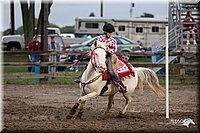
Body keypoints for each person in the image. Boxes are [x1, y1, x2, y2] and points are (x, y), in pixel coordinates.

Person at [75, 23, 127, 92]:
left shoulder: (113, 41)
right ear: (105, 32)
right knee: (89, 65)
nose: (110, 34)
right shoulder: (99, 38)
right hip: (99, 55)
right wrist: (93, 50)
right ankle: (81, 78)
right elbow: (94, 46)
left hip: (108, 55)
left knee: (110, 70)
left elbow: (114, 49)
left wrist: (106, 50)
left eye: (111, 33)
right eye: (109, 32)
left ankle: (119, 83)